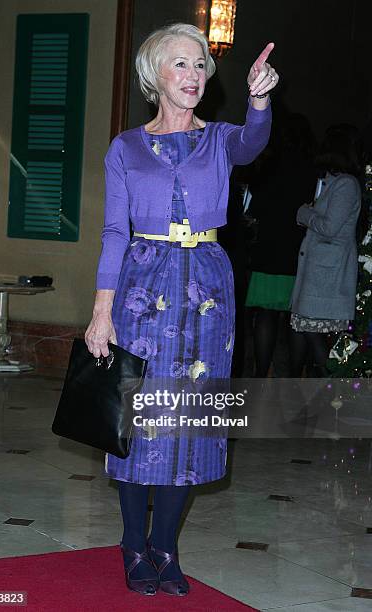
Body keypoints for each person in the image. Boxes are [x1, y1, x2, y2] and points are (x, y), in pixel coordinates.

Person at [85, 23, 277, 596]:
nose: (194, 75)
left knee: (189, 420)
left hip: (207, 288)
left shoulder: (221, 138)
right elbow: (114, 231)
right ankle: (131, 542)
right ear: (154, 76)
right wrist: (102, 311)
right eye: (181, 64)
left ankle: (165, 546)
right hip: (143, 283)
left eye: (200, 65)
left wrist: (260, 98)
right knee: (140, 420)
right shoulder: (125, 147)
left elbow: (254, 142)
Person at [244, 113, 318, 376]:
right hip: (299, 249)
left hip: (269, 247)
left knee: (265, 314)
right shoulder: (312, 169)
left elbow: (254, 208)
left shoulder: (269, 165)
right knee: (296, 318)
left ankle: (261, 372)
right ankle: (294, 376)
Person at [289, 125, 362, 376]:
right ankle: (294, 385)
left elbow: (330, 227)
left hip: (327, 278)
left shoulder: (346, 185)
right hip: (318, 276)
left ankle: (332, 390)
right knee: (300, 328)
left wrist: (304, 213)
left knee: (311, 333)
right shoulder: (334, 182)